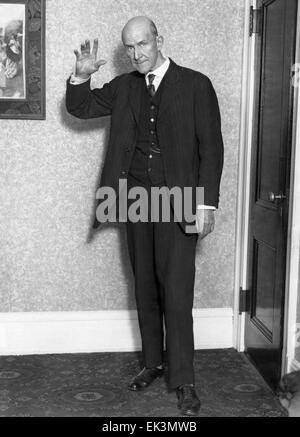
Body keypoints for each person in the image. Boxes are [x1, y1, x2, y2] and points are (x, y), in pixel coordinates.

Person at [66, 16, 224, 416]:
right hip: (135, 200)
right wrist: (80, 75)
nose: (136, 54)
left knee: (176, 289)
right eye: (129, 48)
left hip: (180, 199)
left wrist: (206, 205)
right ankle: (153, 363)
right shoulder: (123, 87)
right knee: (145, 287)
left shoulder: (196, 85)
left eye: (143, 44)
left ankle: (183, 379)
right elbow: (81, 106)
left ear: (159, 40)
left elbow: (212, 148)